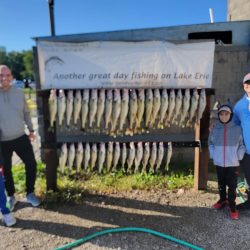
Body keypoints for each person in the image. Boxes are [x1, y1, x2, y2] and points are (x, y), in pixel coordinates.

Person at [0, 65, 40, 211]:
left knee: (31, 164)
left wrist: (31, 129)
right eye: (1, 75)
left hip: (20, 137)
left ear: (11, 76)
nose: (4, 78)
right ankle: (11, 196)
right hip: (2, 142)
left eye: (7, 75)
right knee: (7, 171)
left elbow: (26, 113)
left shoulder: (19, 93)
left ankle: (30, 193)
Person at [208, 104, 245, 220]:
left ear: (230, 115)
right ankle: (222, 200)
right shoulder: (215, 128)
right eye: (221, 114)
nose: (224, 116)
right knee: (221, 183)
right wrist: (214, 156)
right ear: (218, 116)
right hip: (219, 162)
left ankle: (232, 206)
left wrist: (238, 156)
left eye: (226, 114)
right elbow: (211, 143)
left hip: (232, 163)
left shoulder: (237, 129)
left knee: (232, 186)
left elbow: (242, 145)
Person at [233, 72, 250, 210]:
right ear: (244, 87)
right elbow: (235, 126)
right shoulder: (239, 106)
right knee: (248, 177)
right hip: (247, 151)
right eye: (248, 84)